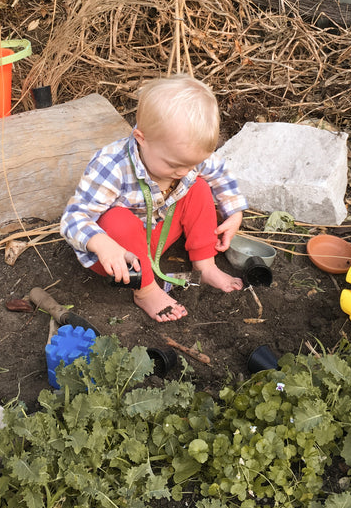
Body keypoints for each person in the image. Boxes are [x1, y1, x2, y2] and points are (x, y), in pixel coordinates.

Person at [60, 75, 247, 322]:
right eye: (174, 165)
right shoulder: (112, 167)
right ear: (141, 139)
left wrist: (235, 212)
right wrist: (102, 244)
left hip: (159, 232)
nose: (183, 171)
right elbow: (73, 218)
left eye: (192, 163)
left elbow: (220, 174)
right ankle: (146, 290)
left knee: (198, 187)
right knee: (116, 219)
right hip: (119, 254)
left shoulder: (185, 158)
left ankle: (205, 264)